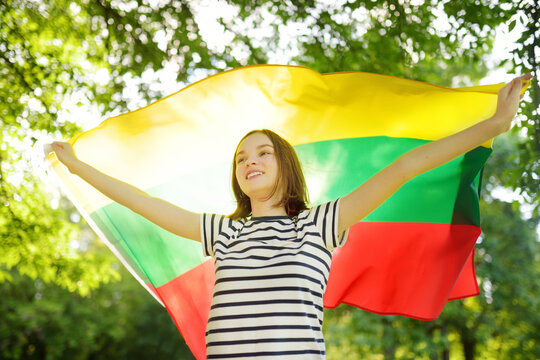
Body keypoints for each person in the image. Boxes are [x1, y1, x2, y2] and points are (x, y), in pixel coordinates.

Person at [49, 72, 532, 359]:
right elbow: (143, 203)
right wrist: (75, 165)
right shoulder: (223, 231)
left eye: (262, 153)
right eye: (241, 158)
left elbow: (406, 166)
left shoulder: (319, 224)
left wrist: (493, 125)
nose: (249, 161)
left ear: (285, 165)